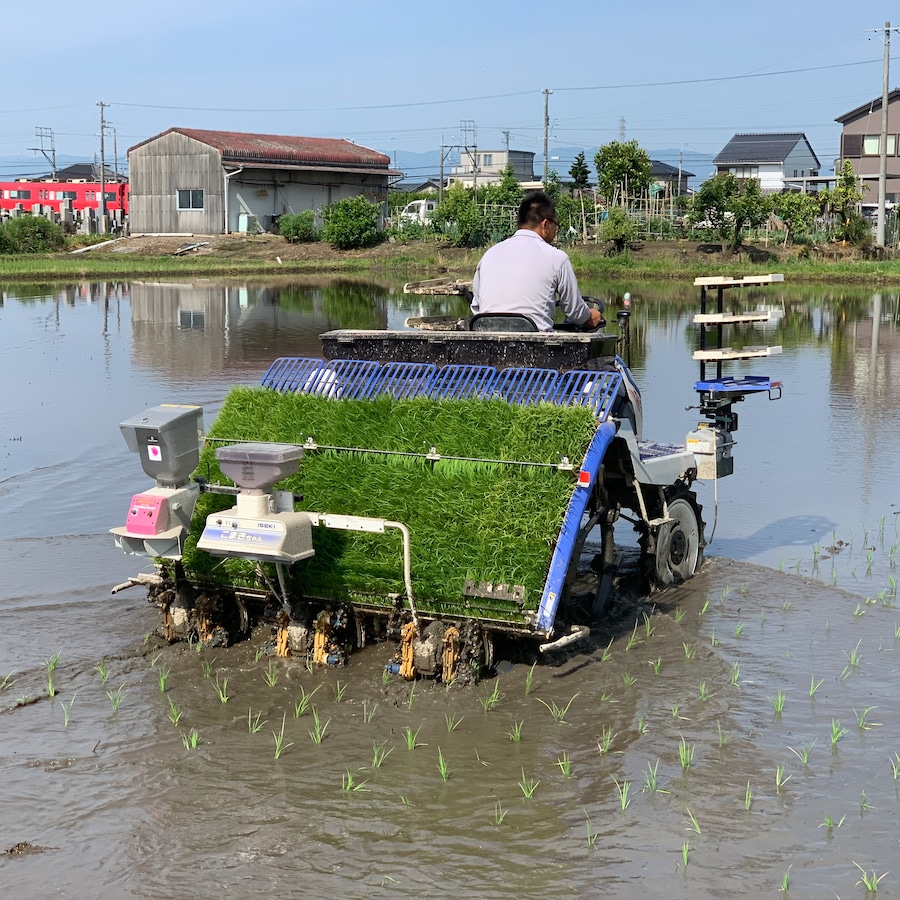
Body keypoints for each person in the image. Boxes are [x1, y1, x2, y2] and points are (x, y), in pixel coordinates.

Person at [470, 191, 603, 332]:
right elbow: (574, 311)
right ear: (546, 224)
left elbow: (477, 308)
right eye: (556, 225)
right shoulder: (556, 258)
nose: (556, 230)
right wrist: (590, 316)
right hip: (537, 348)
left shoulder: (489, 255)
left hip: (490, 346)